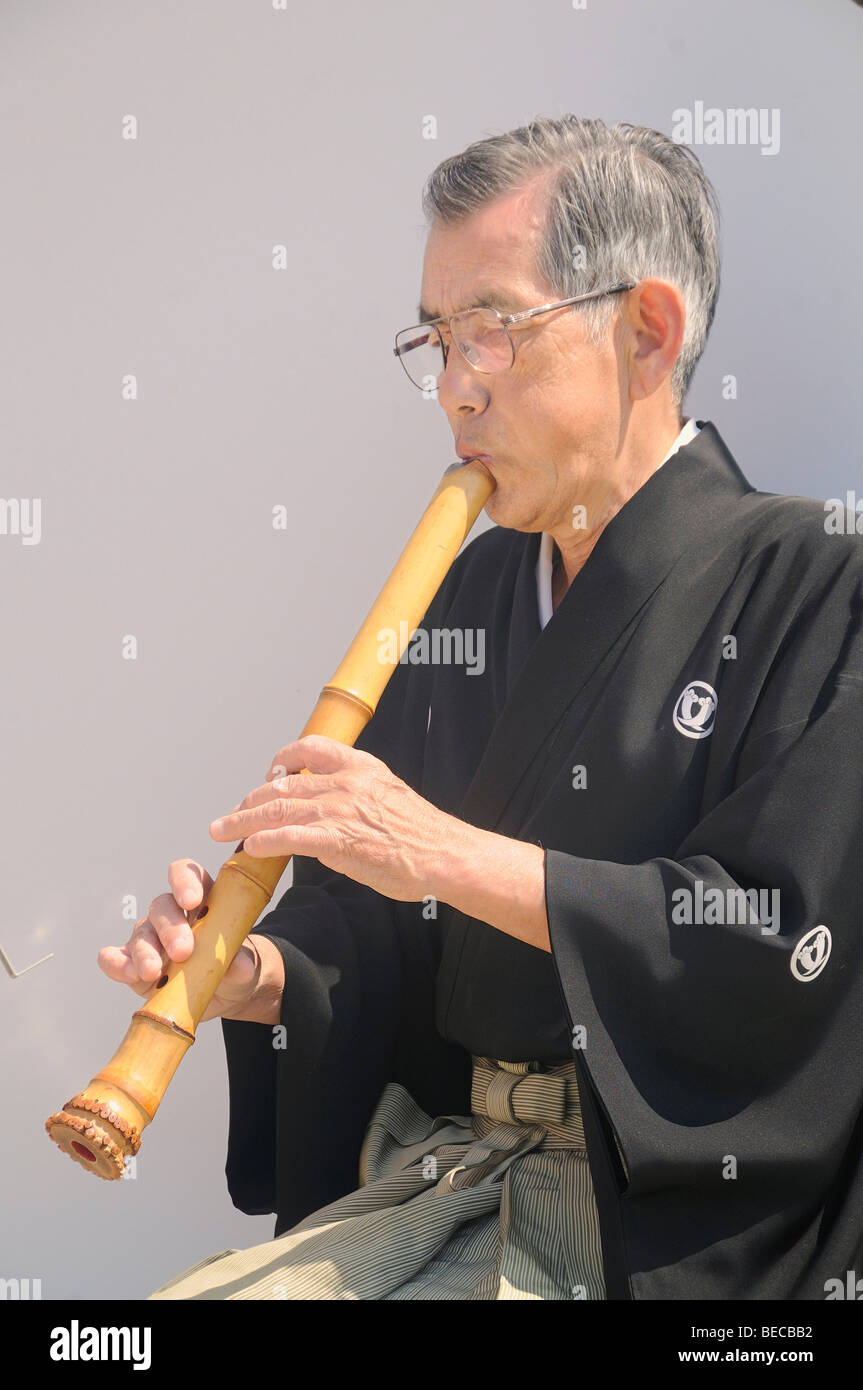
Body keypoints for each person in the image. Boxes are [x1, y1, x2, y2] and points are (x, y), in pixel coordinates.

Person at [99, 115, 863, 1301]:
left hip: (638, 1229)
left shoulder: (819, 578)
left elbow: (776, 941)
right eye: (435, 341)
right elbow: (369, 923)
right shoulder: (470, 589)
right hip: (441, 1173)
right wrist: (260, 976)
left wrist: (445, 854)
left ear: (645, 330)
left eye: (490, 332)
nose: (453, 390)